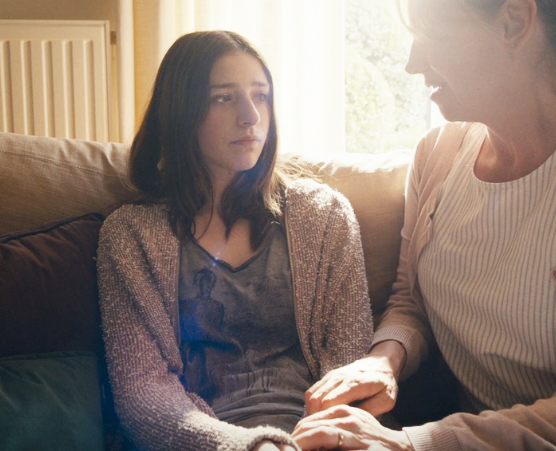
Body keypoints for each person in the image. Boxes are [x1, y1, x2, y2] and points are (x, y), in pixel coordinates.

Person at [291, 0, 556, 449]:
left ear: (514, 22)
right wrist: (385, 360)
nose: (412, 63)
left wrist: (411, 443)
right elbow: (410, 302)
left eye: (429, 34)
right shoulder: (437, 153)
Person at [97, 30, 373, 451]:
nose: (251, 116)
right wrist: (253, 447)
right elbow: (142, 394)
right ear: (181, 112)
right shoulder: (131, 235)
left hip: (322, 437)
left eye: (260, 95)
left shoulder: (324, 215)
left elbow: (350, 362)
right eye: (223, 98)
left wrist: (316, 440)